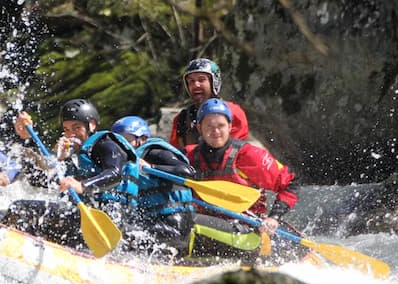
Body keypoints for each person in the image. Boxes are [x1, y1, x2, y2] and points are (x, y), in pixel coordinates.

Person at [5, 99, 138, 250]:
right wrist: (28, 139)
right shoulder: (76, 156)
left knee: (19, 209)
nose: (71, 134)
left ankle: (7, 246)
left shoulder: (106, 143)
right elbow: (40, 181)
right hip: (83, 219)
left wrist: (82, 185)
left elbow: (114, 174)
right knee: (30, 213)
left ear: (92, 125)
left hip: (106, 221)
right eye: (67, 129)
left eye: (76, 127)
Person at [185, 98, 300, 258]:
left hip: (247, 234)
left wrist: (274, 217)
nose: (215, 131)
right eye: (209, 126)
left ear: (230, 126)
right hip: (209, 229)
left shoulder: (249, 155)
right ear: (199, 128)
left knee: (186, 220)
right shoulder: (189, 155)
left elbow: (291, 183)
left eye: (220, 126)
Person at [110, 116, 196, 256]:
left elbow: (188, 172)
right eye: (117, 141)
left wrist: (152, 167)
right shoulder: (123, 162)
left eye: (126, 140)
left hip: (174, 223)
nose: (122, 145)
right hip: (153, 222)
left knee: (127, 239)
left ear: (142, 139)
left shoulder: (155, 151)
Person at [170, 58, 249, 150]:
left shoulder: (234, 113)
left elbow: (235, 152)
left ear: (213, 82)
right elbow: (174, 154)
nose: (196, 85)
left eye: (201, 79)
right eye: (191, 81)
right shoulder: (181, 119)